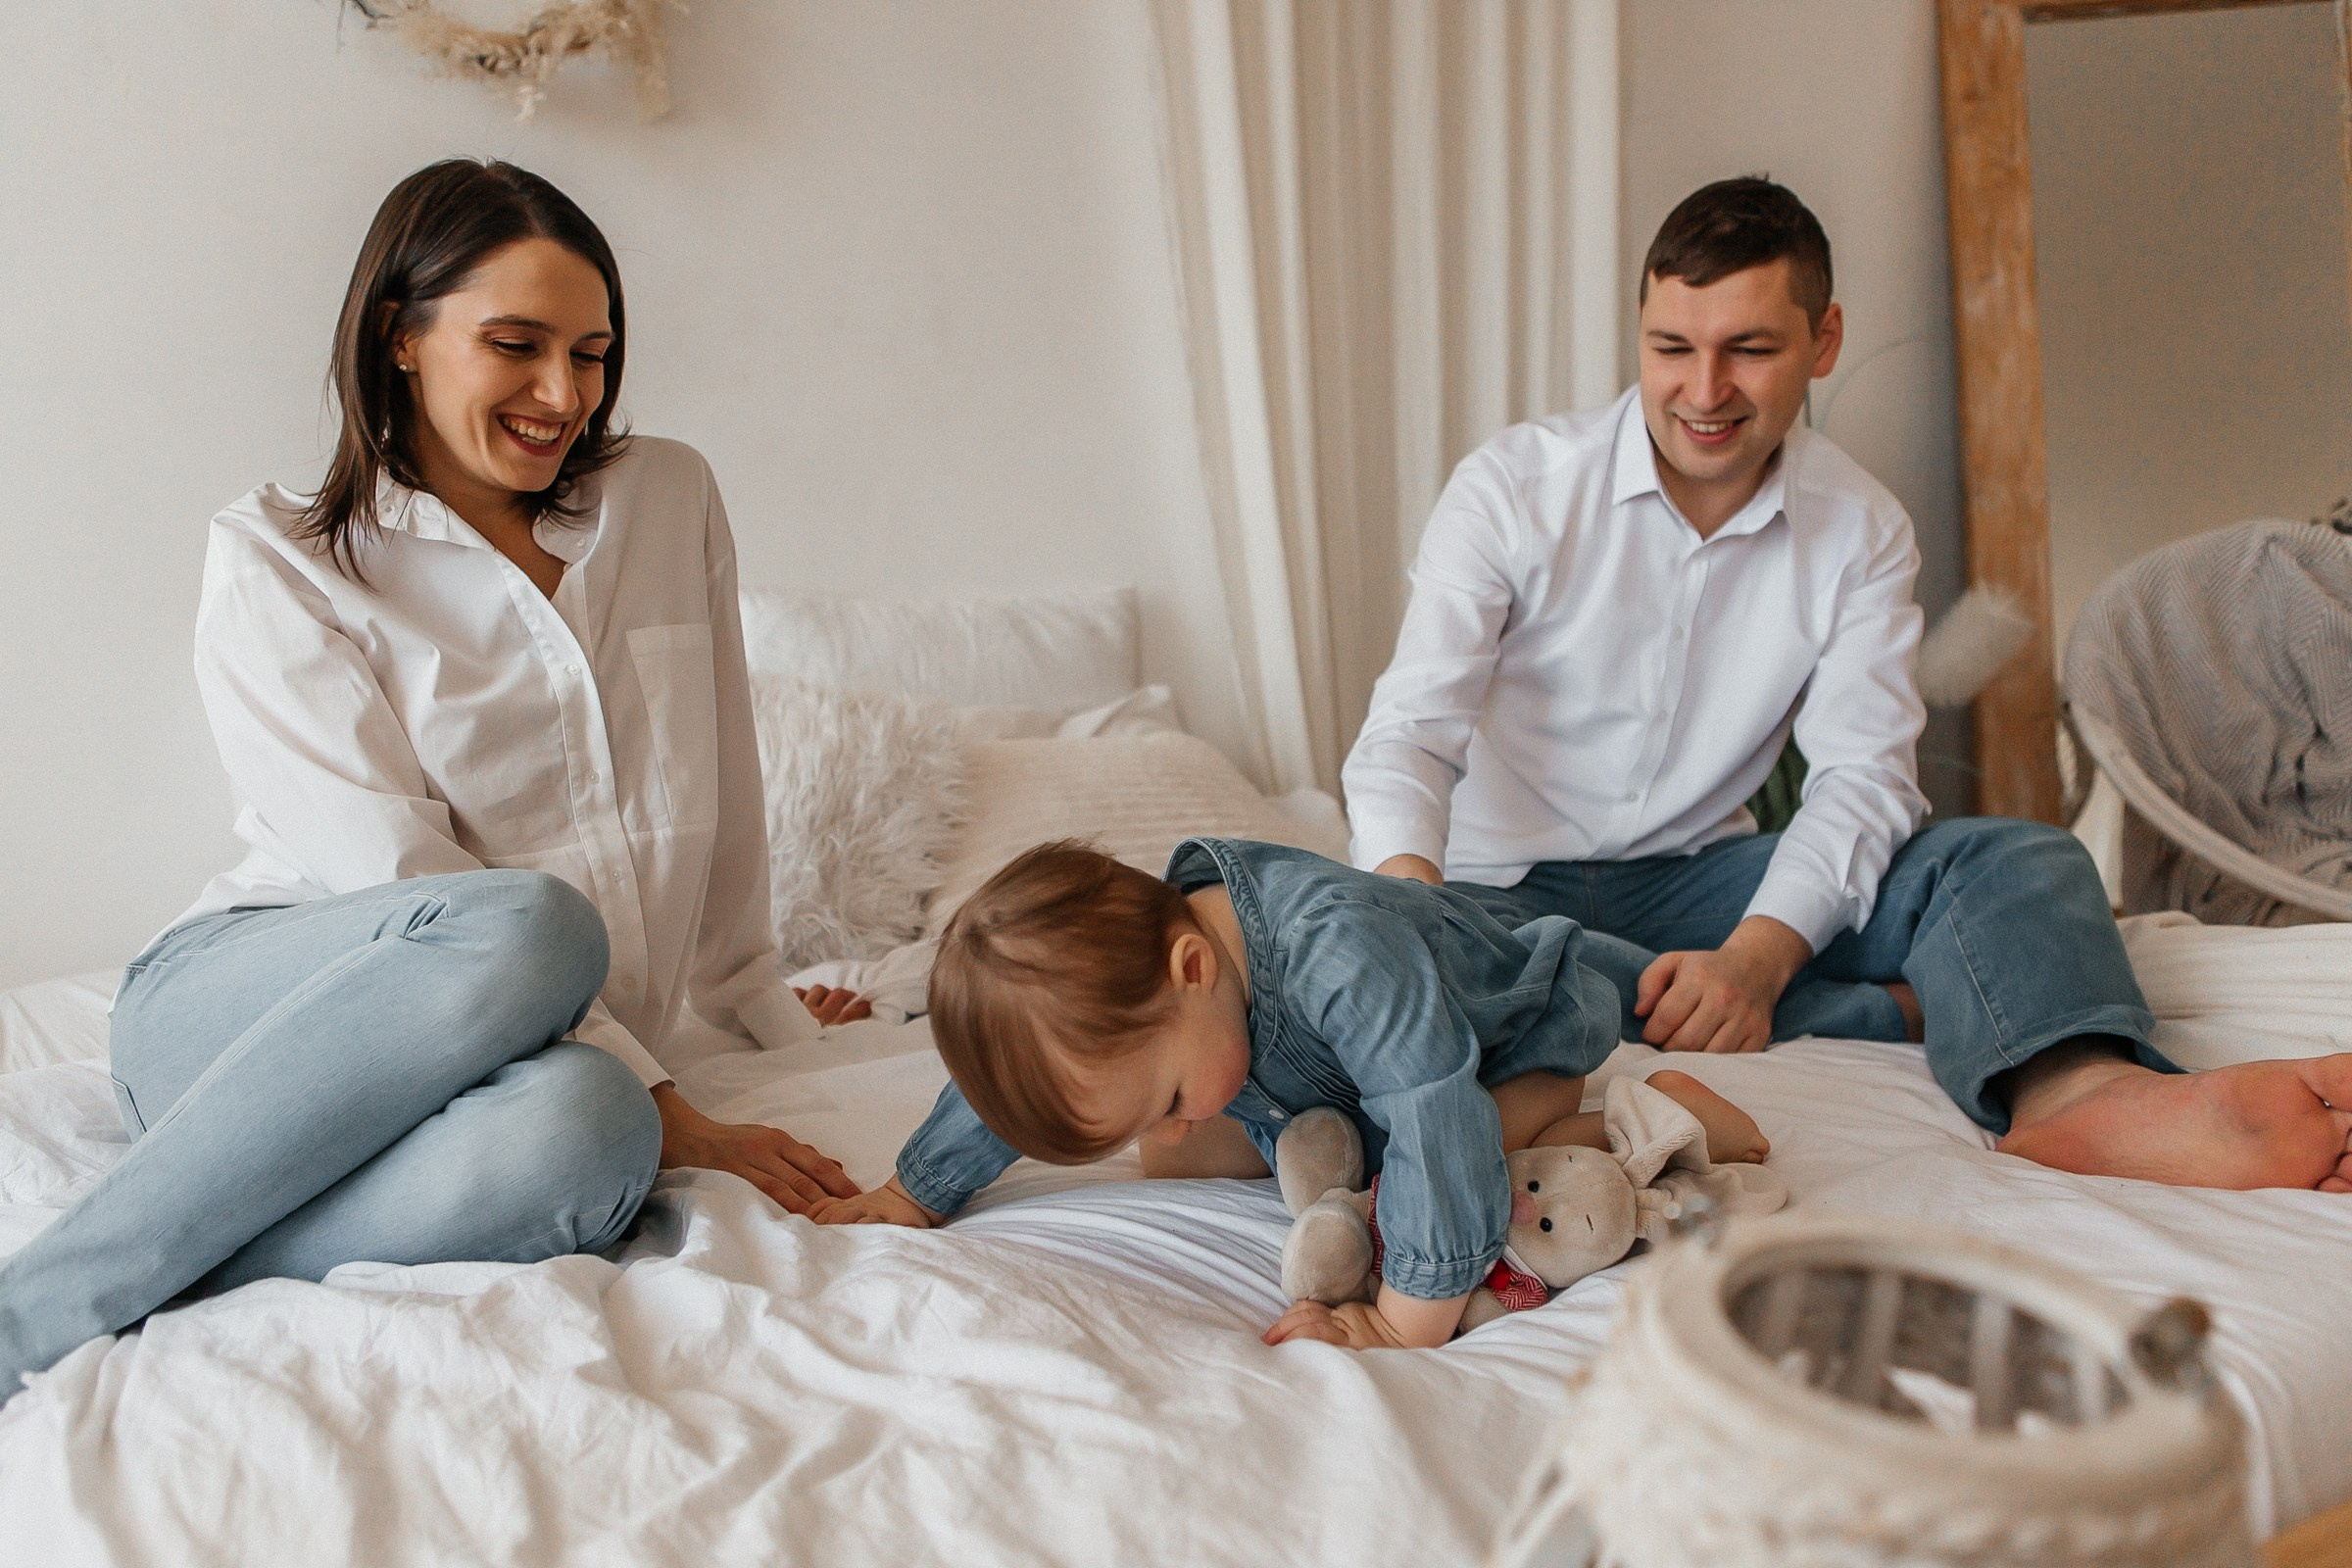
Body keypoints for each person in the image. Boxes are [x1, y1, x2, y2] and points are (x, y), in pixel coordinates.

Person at [0, 159, 871, 1400]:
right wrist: (675, 1097)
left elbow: (721, 784)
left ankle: (208, 1250)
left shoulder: (668, 497)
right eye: (515, 345)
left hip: (516, 1061)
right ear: (399, 337)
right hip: (245, 1011)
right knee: (529, 923)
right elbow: (399, 877)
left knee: (595, 1131)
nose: (562, 392)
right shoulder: (279, 562)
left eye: (593, 352)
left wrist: (754, 1003)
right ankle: (33, 1309)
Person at [1342, 174, 2352, 1195]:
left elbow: (1864, 777)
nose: (1703, 389)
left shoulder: (1861, 527)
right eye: (1672, 348)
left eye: (1750, 348)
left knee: (2012, 860)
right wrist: (1412, 919)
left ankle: (2077, 1092)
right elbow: (1410, 733)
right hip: (1496, 890)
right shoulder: (1512, 488)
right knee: (1443, 958)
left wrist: (1759, 958)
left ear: (1822, 342)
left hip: (1705, 877)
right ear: (1640, 333)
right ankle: (1887, 1010)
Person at [808, 838, 1770, 1350]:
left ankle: (1659, 1114)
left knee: (1452, 1157)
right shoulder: (1154, 996)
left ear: (1192, 967)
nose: (1176, 1121)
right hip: (1325, 1088)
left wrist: (1401, 1320)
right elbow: (1031, 1070)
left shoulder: (1341, 950)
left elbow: (1436, 1114)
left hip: (1502, 1045)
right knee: (1180, 1151)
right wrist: (913, 1190)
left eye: (1174, 1093)